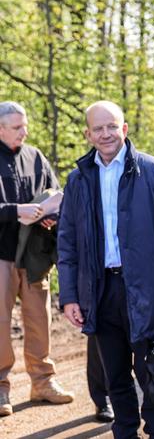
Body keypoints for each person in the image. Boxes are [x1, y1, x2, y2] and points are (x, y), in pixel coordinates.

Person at [58, 100, 154, 438]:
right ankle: (125, 431)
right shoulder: (78, 180)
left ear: (124, 129)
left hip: (148, 290)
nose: (106, 134)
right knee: (115, 374)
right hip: (100, 291)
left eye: (112, 126)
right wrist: (70, 296)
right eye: (98, 128)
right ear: (88, 134)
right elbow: (67, 242)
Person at [0, 101, 73, 417]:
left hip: (35, 255)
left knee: (39, 320)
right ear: (0, 128)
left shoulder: (36, 157)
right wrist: (16, 211)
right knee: (0, 325)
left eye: (25, 125)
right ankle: (1, 389)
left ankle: (43, 382)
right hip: (0, 255)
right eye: (17, 127)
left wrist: (48, 214)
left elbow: (54, 192)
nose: (24, 132)